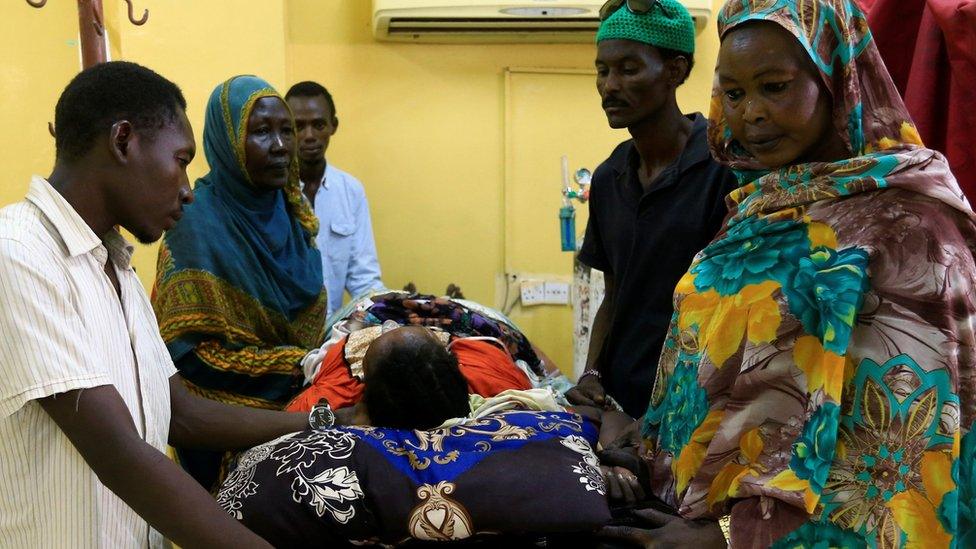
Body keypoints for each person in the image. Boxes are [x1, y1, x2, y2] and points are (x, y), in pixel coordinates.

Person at [599, 0, 976, 547]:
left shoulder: (909, 228)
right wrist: (650, 445)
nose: (750, 112)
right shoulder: (756, 209)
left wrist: (733, 535)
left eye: (774, 87)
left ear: (836, 78)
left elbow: (903, 454)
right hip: (686, 516)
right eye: (734, 93)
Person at [0, 61, 312, 548]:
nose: (188, 190)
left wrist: (321, 423)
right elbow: (119, 455)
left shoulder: (115, 265)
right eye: (182, 160)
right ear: (124, 141)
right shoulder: (19, 252)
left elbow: (181, 413)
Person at [152, 75, 327, 491]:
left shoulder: (292, 215)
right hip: (221, 434)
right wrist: (301, 366)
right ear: (227, 141)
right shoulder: (195, 222)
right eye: (261, 132)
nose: (282, 145)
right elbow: (188, 357)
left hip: (306, 412)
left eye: (286, 130)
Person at [567, 0, 739, 418]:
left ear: (675, 71)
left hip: (696, 400)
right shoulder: (611, 178)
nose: (609, 85)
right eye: (602, 70)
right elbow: (615, 293)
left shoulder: (724, 166)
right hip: (622, 399)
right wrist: (591, 374)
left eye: (628, 69)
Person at [285, 81, 383, 316]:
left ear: (333, 126)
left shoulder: (350, 191)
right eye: (299, 126)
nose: (309, 136)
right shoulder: (272, 192)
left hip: (333, 333)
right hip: (285, 335)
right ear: (286, 130)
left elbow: (365, 280)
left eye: (318, 125)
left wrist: (386, 315)